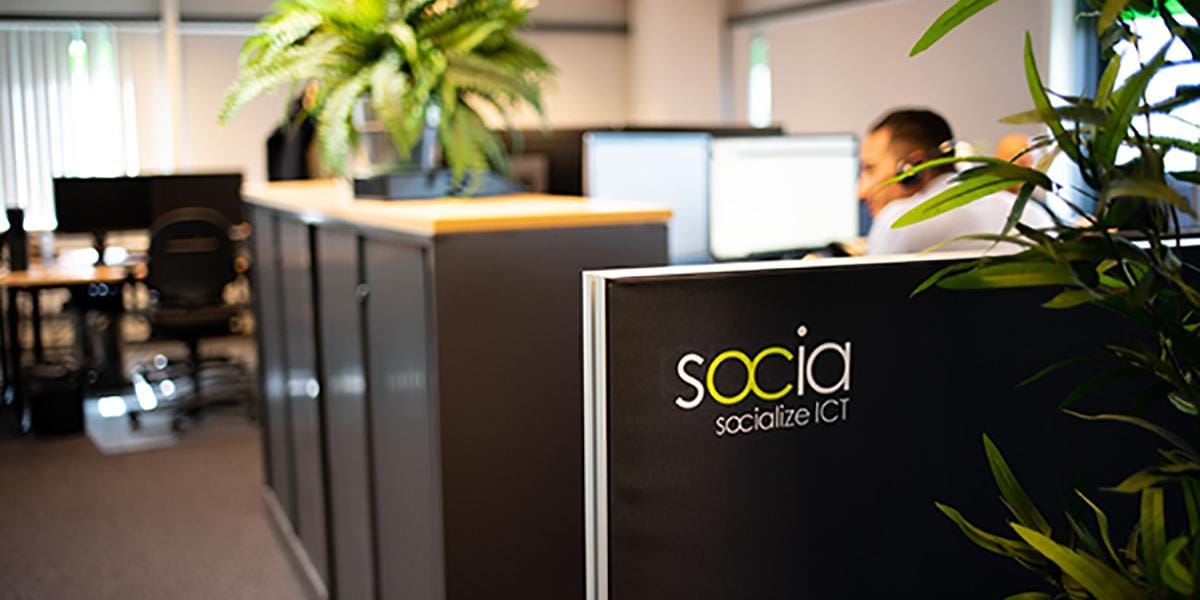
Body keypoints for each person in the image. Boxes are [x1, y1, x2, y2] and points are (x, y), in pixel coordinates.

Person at [856, 109, 1052, 255]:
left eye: (870, 168)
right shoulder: (1033, 215)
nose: (861, 191)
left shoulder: (898, 222)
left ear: (913, 168)